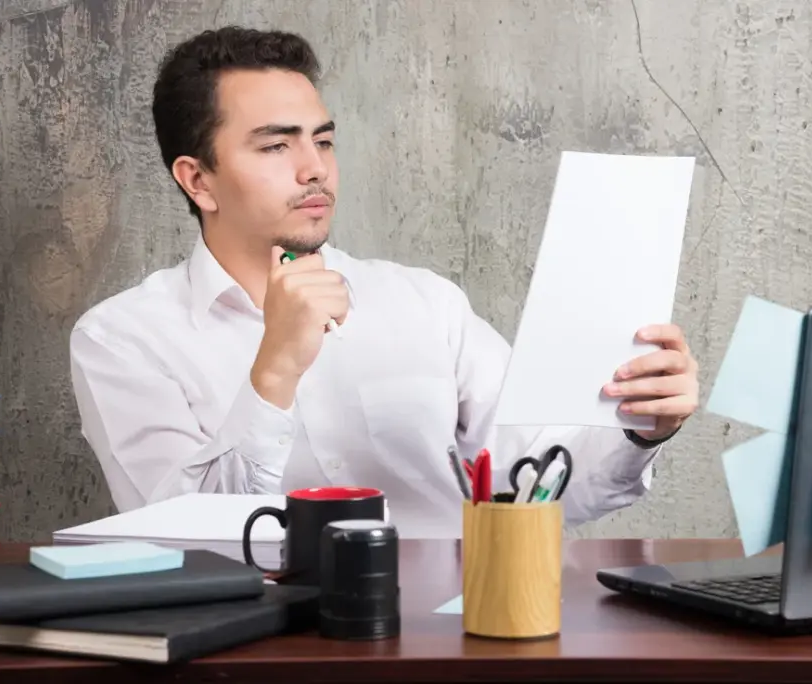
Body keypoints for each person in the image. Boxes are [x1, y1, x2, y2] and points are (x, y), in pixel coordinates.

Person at [69, 27, 700, 538]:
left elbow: (542, 481)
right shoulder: (122, 339)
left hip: (454, 632)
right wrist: (275, 371)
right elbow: (185, 534)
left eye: (323, 140)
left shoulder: (424, 304)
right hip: (256, 648)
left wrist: (638, 429)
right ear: (197, 179)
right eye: (274, 148)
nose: (315, 169)